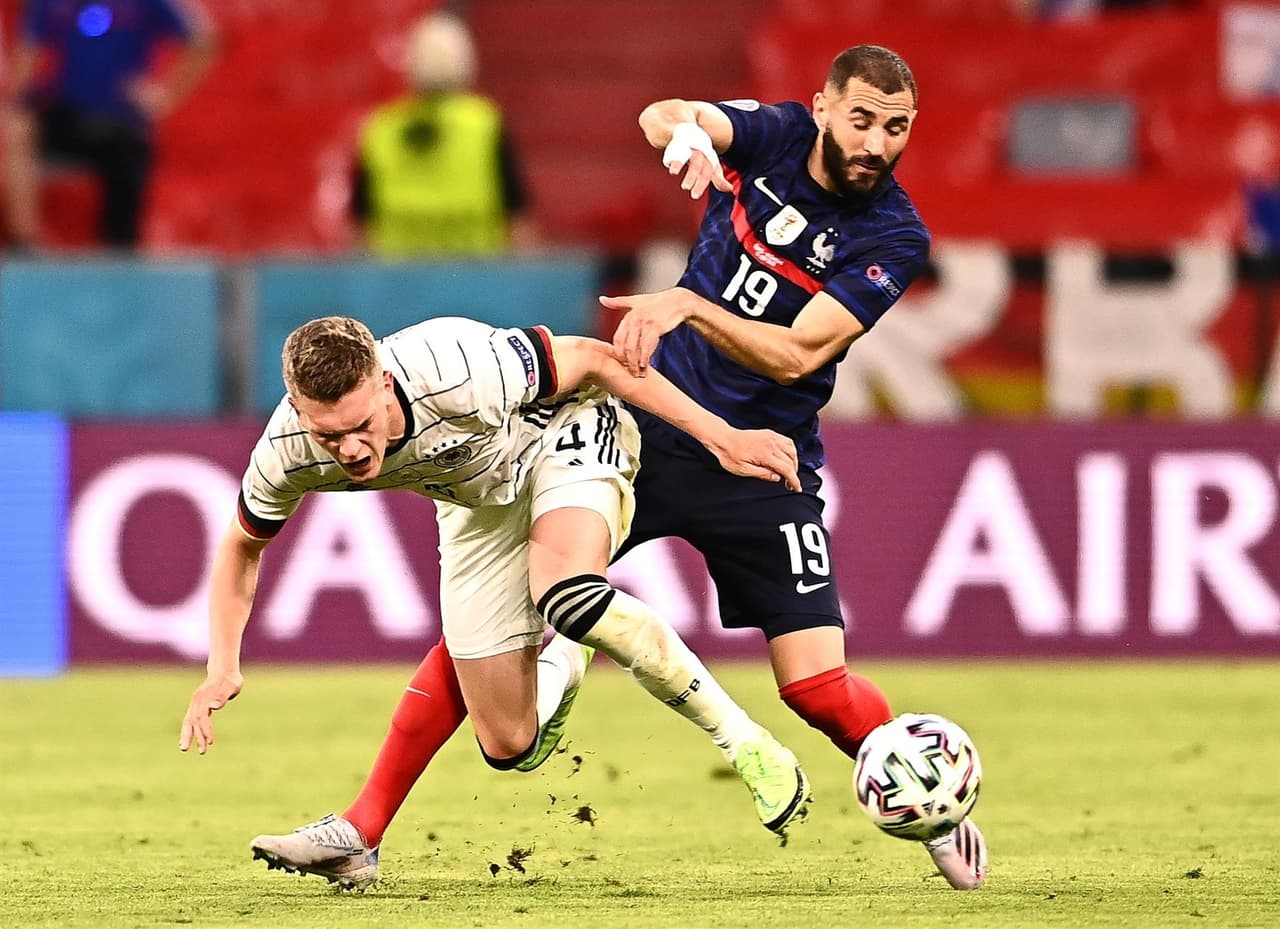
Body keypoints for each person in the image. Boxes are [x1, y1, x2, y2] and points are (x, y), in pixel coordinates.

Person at [179, 314, 813, 890]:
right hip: (477, 502)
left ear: (383, 381)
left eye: (361, 426)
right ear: (297, 407)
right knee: (510, 744)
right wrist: (222, 665)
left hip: (565, 433)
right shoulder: (285, 451)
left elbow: (593, 359)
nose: (349, 449)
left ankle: (748, 743)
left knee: (564, 591)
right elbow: (240, 548)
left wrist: (722, 437)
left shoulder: (456, 366)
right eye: (329, 434)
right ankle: (567, 654)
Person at [596, 44, 989, 890]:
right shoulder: (772, 136)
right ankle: (364, 826)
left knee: (815, 686)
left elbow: (796, 354)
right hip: (655, 433)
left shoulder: (894, 234)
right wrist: (687, 136)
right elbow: (666, 110)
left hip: (764, 463)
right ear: (821, 107)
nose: (876, 143)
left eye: (897, 128)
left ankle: (934, 809)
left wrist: (689, 305)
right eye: (861, 120)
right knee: (519, 603)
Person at [2, 0, 217, 250]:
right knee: (18, 129)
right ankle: (25, 243)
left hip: (123, 122)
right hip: (65, 116)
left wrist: (165, 97)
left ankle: (119, 257)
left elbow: (202, 41)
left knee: (121, 237)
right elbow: (28, 57)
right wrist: (16, 104)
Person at [350, 11, 536, 257]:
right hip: (477, 279)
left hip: (398, 282)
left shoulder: (382, 129)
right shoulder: (485, 124)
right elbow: (517, 219)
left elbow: (360, 228)